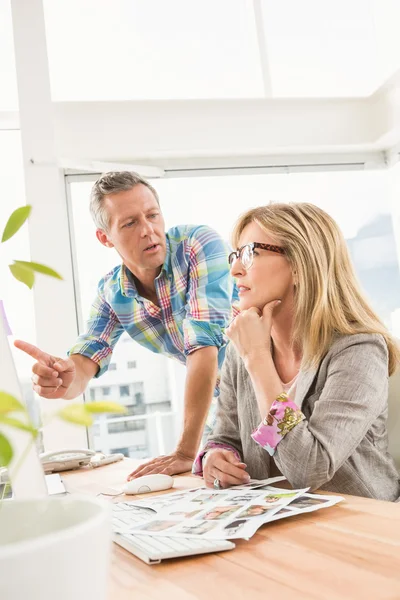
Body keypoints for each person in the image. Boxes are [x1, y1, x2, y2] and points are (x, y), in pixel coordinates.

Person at [15, 171, 238, 479]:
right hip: (224, 403)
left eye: (152, 215)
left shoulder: (197, 245)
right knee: (220, 487)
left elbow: (203, 348)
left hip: (277, 382)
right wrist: (63, 380)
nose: (149, 231)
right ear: (105, 237)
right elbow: (84, 361)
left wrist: (185, 451)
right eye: (130, 223)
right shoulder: (112, 293)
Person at [194, 202, 400, 501]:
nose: (235, 268)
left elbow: (309, 470)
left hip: (357, 521)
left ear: (300, 266)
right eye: (235, 255)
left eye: (251, 253)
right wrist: (217, 457)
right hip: (273, 517)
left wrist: (259, 361)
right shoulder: (245, 347)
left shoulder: (359, 349)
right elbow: (225, 436)